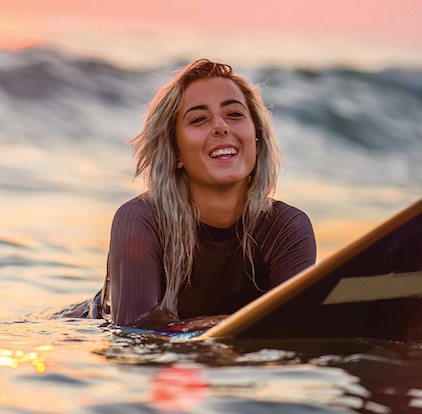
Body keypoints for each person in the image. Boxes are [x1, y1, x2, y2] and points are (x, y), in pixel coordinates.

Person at [72, 59, 316, 332]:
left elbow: (292, 330)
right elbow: (134, 334)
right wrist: (228, 323)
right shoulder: (139, 221)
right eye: (199, 119)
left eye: (234, 114)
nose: (221, 127)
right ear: (175, 153)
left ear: (256, 138)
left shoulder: (287, 229)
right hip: (85, 327)